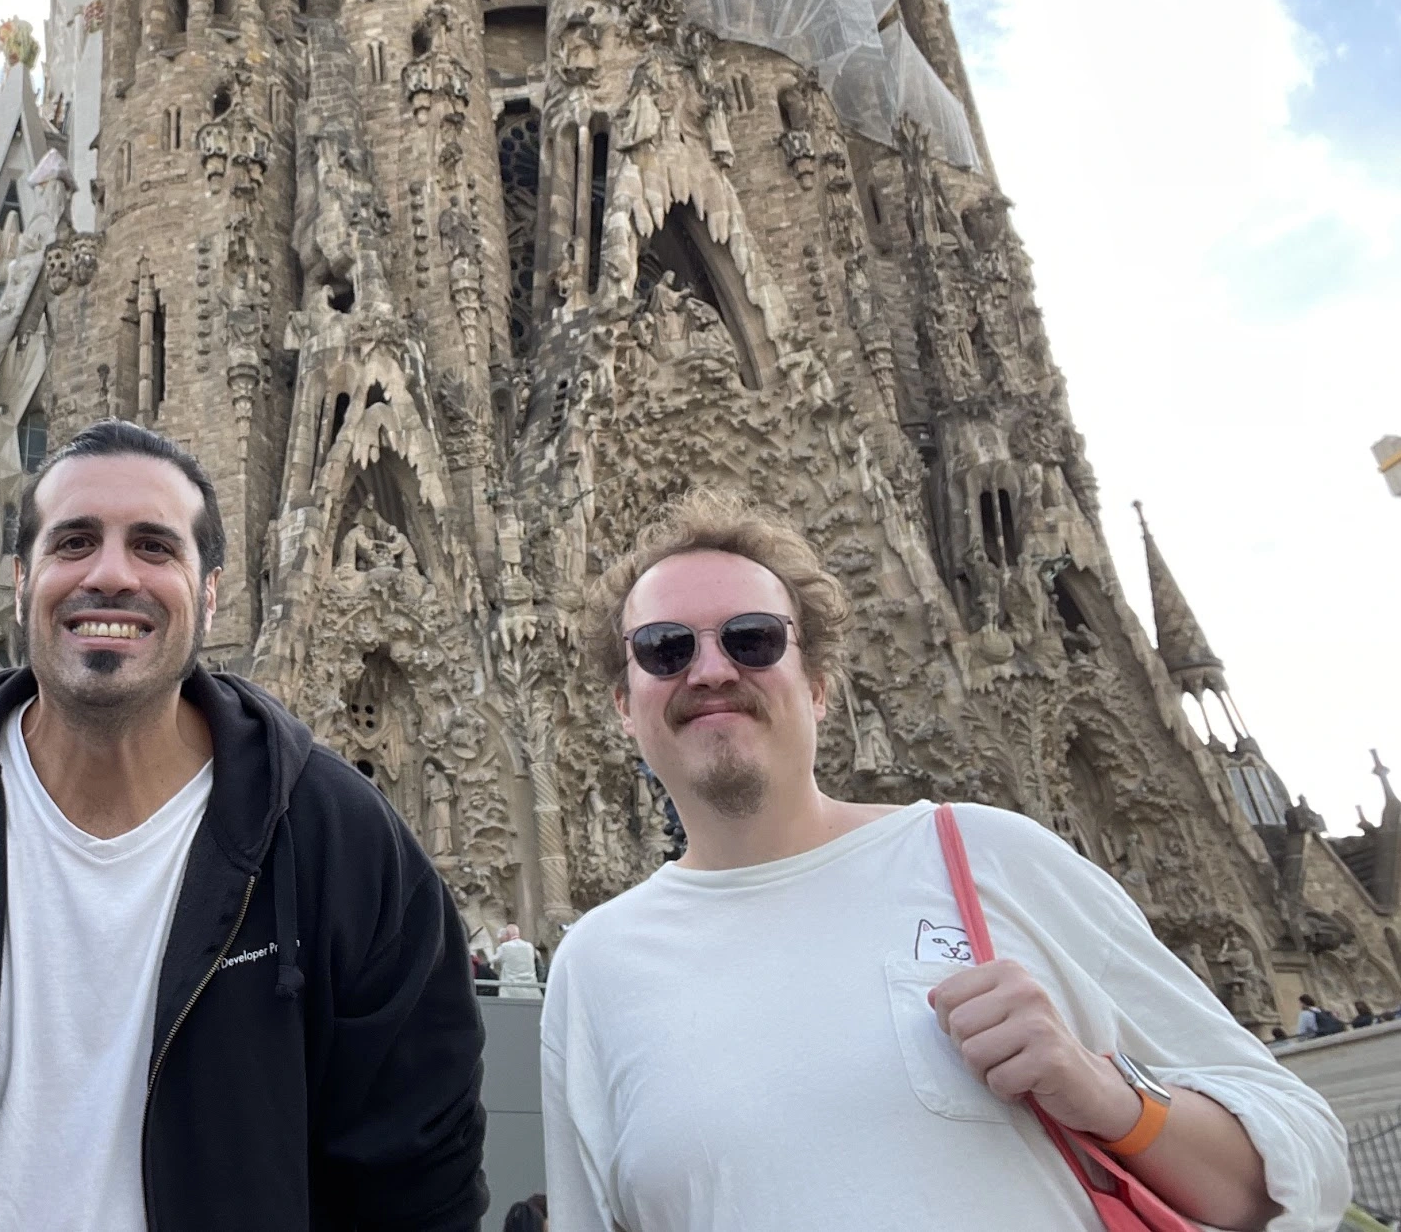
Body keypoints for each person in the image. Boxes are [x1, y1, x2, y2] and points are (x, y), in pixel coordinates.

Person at [541, 489, 1348, 1232]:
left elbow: (1304, 1160)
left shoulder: (990, 855)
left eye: (752, 639)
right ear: (624, 703)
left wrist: (1109, 1094)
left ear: (818, 686)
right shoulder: (595, 969)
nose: (711, 669)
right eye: (663, 647)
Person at [0, 418, 487, 1231]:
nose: (111, 575)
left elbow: (421, 1178)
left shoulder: (340, 844)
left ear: (211, 592)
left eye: (154, 547)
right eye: (75, 542)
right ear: (21, 579)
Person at [495, 923, 541, 1000]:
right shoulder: (529, 946)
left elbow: (492, 960)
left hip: (510, 991)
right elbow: (540, 964)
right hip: (531, 990)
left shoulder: (504, 947)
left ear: (507, 935)